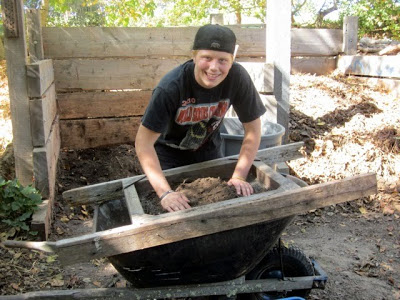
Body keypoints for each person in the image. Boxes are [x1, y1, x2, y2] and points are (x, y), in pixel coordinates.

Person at [135, 24, 266, 212]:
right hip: (168, 156)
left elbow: (253, 130)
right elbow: (143, 143)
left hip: (208, 151)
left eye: (223, 60)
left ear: (232, 60)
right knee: (172, 213)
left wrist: (239, 175)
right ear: (194, 56)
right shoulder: (171, 87)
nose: (214, 67)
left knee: (220, 211)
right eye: (207, 58)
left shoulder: (238, 78)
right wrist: (165, 193)